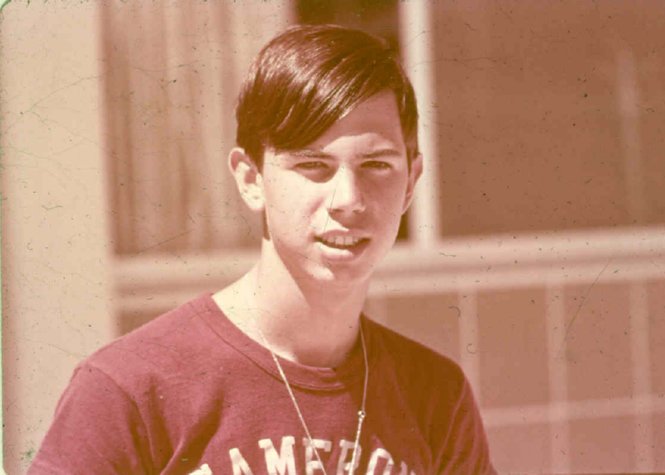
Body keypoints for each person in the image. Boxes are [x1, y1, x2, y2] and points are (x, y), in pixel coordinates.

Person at [29, 24, 496, 475]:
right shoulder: (129, 388)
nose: (349, 199)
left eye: (376, 165)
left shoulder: (435, 395)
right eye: (313, 165)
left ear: (411, 183)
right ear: (251, 179)